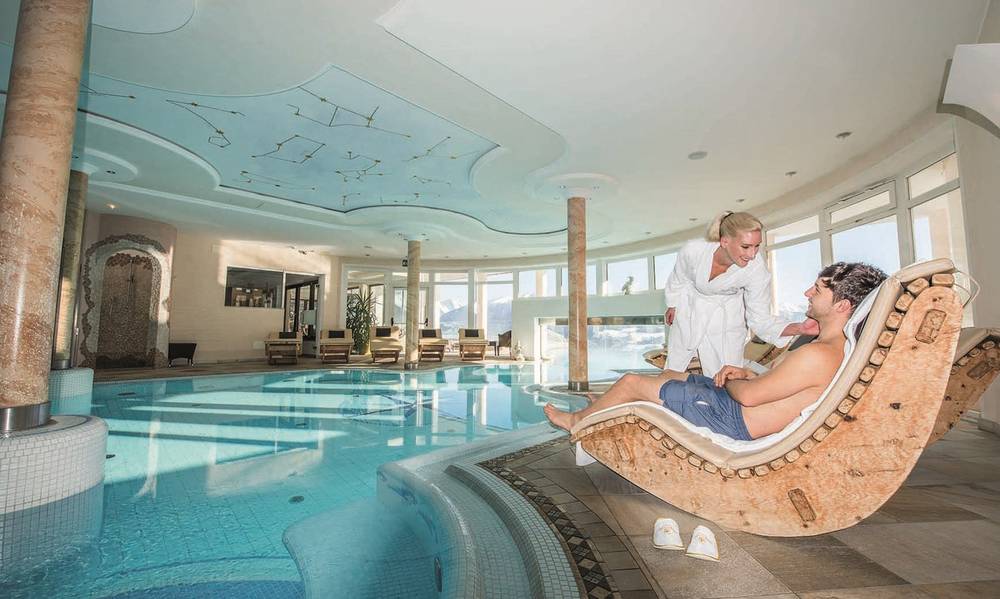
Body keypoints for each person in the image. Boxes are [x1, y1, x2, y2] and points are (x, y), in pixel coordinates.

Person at [546, 262, 887, 440]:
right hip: (735, 407)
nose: (807, 292)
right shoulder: (828, 348)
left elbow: (749, 397)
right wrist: (746, 373)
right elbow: (778, 388)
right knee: (672, 374)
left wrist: (731, 377)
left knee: (631, 382)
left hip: (732, 418)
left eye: (818, 290)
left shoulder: (818, 354)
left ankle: (576, 422)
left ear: (842, 305)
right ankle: (605, 407)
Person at [662, 211, 818, 378]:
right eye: (745, 246)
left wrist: (800, 328)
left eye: (757, 246)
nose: (752, 254)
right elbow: (679, 277)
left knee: (726, 377)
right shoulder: (694, 250)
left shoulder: (757, 270)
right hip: (691, 307)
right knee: (674, 370)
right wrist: (673, 304)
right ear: (725, 241)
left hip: (727, 316)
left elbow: (760, 318)